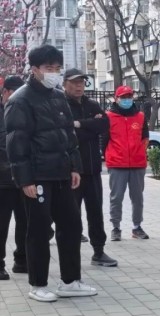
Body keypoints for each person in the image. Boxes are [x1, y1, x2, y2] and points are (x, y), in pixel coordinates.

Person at [4, 44, 97, 302]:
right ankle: (38, 284)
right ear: (34, 69)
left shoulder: (58, 96)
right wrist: (25, 180)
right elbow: (16, 144)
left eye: (57, 68)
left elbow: (69, 135)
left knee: (71, 225)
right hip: (38, 177)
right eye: (49, 68)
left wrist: (74, 167)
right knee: (39, 230)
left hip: (62, 174)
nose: (54, 73)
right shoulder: (20, 100)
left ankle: (70, 281)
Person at [63, 68, 117, 267]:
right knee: (71, 214)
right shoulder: (60, 104)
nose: (79, 86)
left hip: (93, 169)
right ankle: (71, 255)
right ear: (65, 84)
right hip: (71, 171)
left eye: (81, 82)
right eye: (74, 82)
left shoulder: (92, 104)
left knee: (95, 212)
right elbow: (67, 133)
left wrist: (78, 124)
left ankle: (99, 251)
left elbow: (104, 125)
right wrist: (89, 127)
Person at [104, 85, 150, 241]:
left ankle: (137, 227)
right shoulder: (109, 116)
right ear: (116, 99)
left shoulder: (140, 116)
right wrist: (109, 155)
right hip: (117, 164)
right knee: (116, 197)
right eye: (123, 97)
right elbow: (104, 140)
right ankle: (116, 227)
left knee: (137, 198)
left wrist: (140, 152)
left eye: (129, 97)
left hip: (137, 164)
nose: (126, 100)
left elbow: (145, 137)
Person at [0, 76, 27, 279]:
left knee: (25, 222)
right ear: (6, 92)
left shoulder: (25, 111)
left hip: (25, 178)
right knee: (2, 224)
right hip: (3, 179)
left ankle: (22, 260)